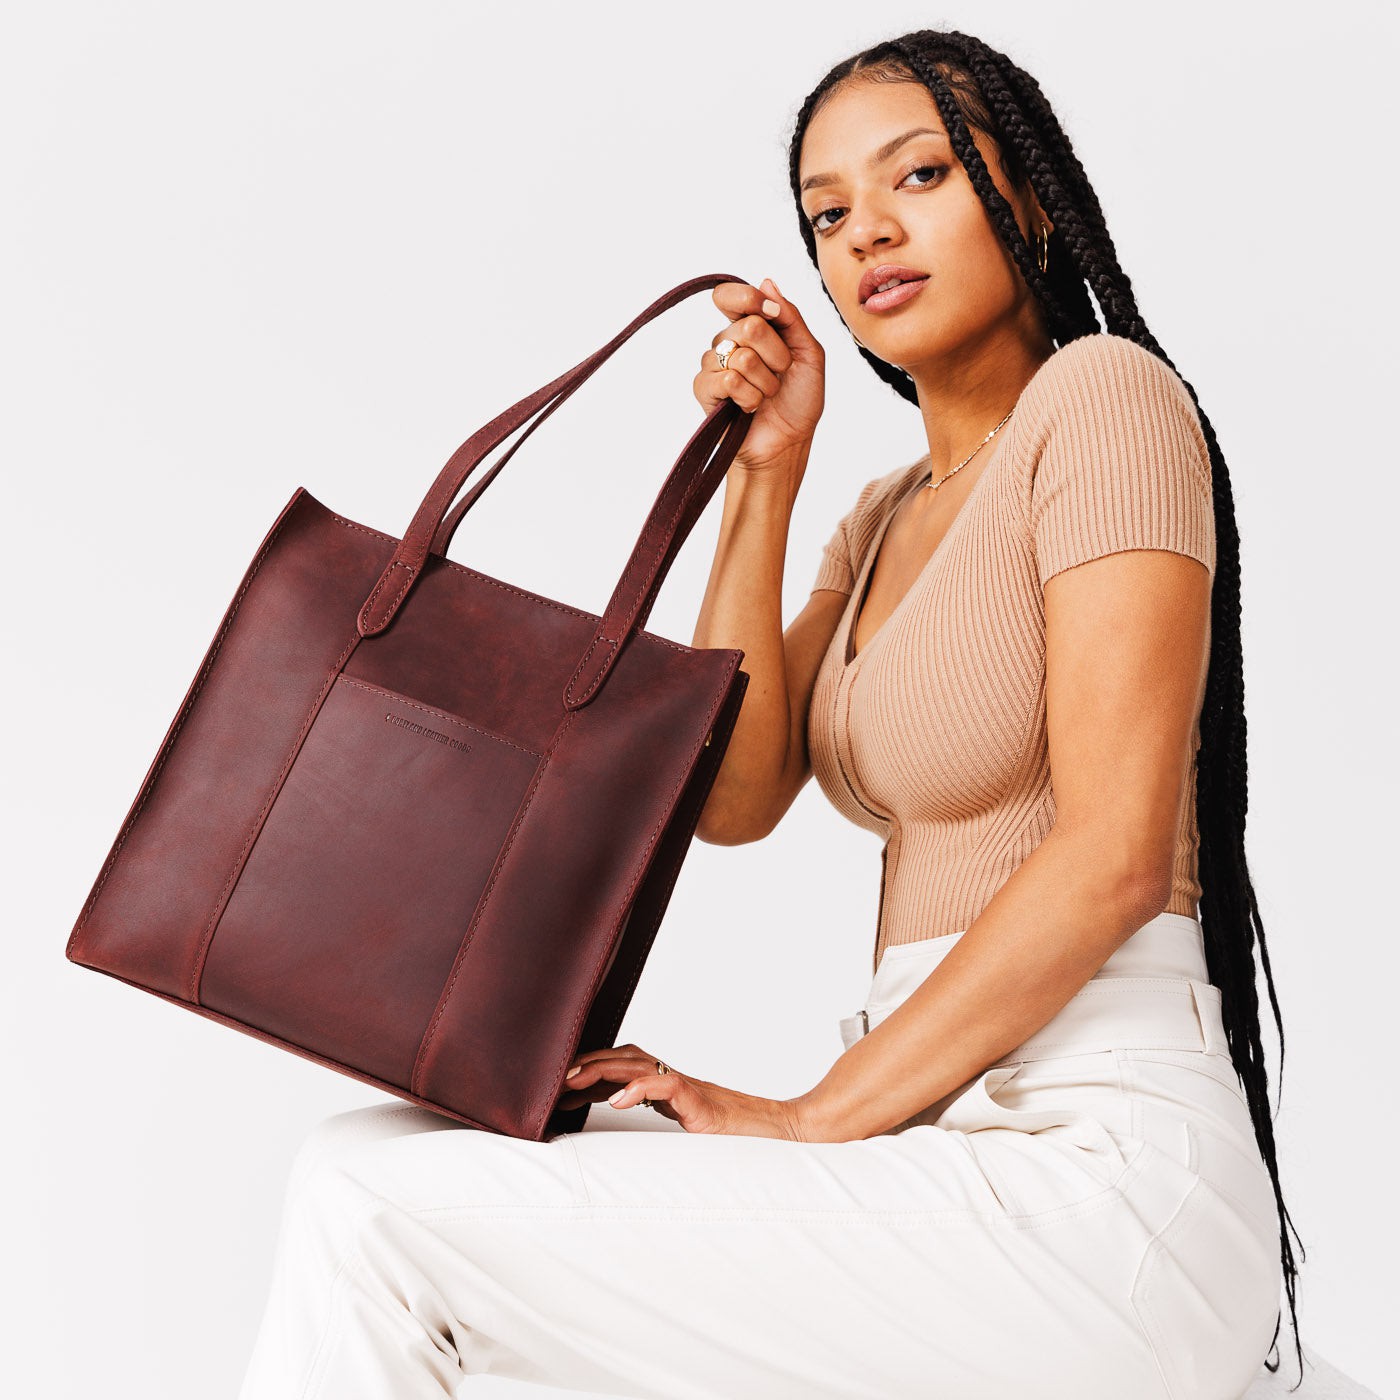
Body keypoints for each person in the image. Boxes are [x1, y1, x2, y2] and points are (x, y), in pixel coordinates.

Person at [236, 28, 1303, 1399]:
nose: (870, 234)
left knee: (379, 1219)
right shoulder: (887, 516)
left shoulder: (1104, 403)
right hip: (940, 1132)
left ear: (1030, 200)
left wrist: (810, 1118)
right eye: (828, 215)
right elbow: (734, 797)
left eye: (920, 175)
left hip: (1094, 1164)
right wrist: (766, 472)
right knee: (362, 1156)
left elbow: (1110, 860)